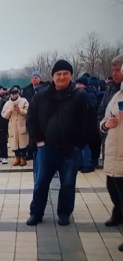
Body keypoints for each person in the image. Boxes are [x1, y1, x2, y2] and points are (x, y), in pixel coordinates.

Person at [26, 60, 90, 226]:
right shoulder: (41, 95)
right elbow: (31, 119)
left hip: (70, 149)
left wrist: (79, 144)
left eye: (65, 74)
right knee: (41, 182)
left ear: (71, 75)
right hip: (46, 148)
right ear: (53, 76)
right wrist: (38, 140)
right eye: (58, 74)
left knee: (68, 183)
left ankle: (64, 213)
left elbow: (86, 122)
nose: (62, 77)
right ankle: (36, 213)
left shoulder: (79, 96)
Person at [100, 63, 123, 252]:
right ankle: (119, 214)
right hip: (113, 150)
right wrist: (106, 124)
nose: (114, 73)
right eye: (114, 69)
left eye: (118, 70)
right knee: (113, 187)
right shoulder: (115, 94)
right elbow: (103, 117)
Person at [1, 86, 29, 166]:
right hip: (12, 124)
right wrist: (10, 111)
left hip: (21, 122)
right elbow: (4, 115)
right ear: (10, 95)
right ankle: (17, 157)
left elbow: (28, 111)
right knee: (14, 142)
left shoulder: (23, 101)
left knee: (23, 142)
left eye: (15, 94)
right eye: (12, 94)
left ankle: (23, 158)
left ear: (18, 93)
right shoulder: (7, 103)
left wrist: (19, 110)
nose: (14, 95)